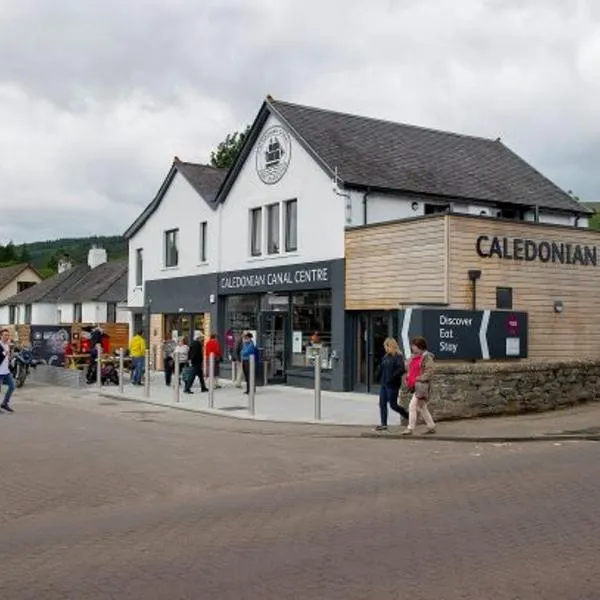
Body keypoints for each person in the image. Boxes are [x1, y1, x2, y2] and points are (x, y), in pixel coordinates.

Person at [401, 336, 436, 435]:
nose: (413, 347)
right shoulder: (413, 357)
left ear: (421, 346)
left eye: (415, 346)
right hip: (415, 386)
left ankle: (410, 428)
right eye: (413, 345)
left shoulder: (426, 357)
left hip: (421, 387)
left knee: (412, 406)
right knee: (422, 407)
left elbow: (430, 372)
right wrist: (408, 377)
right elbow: (409, 369)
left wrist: (419, 378)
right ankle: (431, 426)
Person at [373, 337, 409, 432]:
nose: (385, 348)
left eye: (386, 346)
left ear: (391, 346)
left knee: (393, 405)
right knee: (382, 404)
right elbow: (381, 367)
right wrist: (377, 375)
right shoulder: (386, 356)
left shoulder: (398, 356)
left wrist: (392, 378)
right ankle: (383, 424)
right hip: (384, 384)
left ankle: (408, 416)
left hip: (392, 385)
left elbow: (401, 369)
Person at [0, 328, 15, 413]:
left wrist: (10, 356)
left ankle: (5, 403)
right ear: (1, 336)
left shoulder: (7, 345)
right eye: (5, 335)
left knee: (12, 386)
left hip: (6, 371)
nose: (7, 337)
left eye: (8, 335)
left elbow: (8, 358)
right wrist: (5, 353)